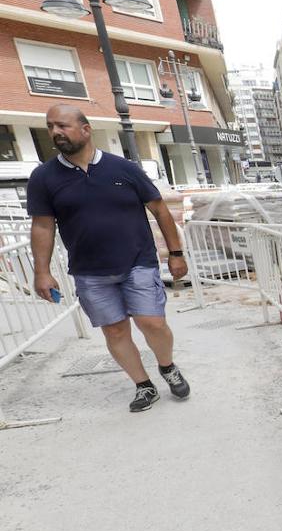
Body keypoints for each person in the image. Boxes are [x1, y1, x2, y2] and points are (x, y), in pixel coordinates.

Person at [27, 105, 191, 413]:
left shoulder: (124, 169)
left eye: (62, 125)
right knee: (115, 331)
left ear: (86, 130)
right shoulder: (44, 177)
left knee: (151, 322)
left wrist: (176, 254)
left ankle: (167, 366)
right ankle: (144, 386)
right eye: (50, 127)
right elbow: (43, 225)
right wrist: (41, 272)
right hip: (90, 272)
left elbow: (160, 210)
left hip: (137, 261)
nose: (55, 132)